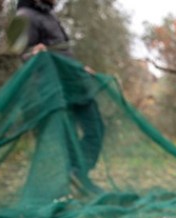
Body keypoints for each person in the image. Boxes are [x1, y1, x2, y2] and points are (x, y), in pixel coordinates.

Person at [17, 0, 105, 195]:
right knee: (69, 138)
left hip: (75, 83)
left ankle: (77, 173)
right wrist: (34, 53)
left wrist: (80, 68)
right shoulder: (25, 16)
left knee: (96, 129)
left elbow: (62, 51)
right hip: (56, 89)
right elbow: (24, 54)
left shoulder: (48, 15)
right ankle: (75, 179)